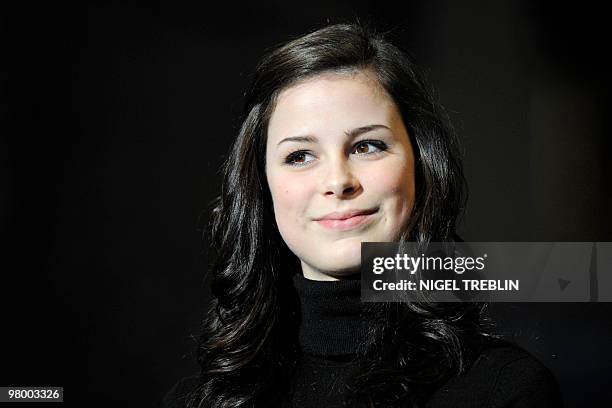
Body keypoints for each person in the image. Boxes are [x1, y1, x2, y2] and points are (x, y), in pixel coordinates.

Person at [162, 23, 562, 408]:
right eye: (299, 156)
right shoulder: (204, 398)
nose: (338, 181)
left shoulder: (503, 390)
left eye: (368, 146)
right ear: (261, 187)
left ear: (422, 165)